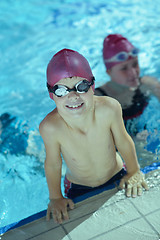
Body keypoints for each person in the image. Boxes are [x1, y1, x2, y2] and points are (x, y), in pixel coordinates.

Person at [39, 48, 149, 224]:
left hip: (117, 173)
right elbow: (53, 163)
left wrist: (134, 171)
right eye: (61, 90)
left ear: (92, 86)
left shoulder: (109, 108)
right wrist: (55, 197)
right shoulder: (50, 127)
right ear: (51, 94)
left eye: (81, 87)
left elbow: (123, 141)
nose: (73, 96)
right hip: (78, 187)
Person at [95, 34, 160, 136]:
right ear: (109, 72)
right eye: (124, 69)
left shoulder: (147, 84)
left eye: (135, 64)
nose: (133, 73)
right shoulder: (98, 99)